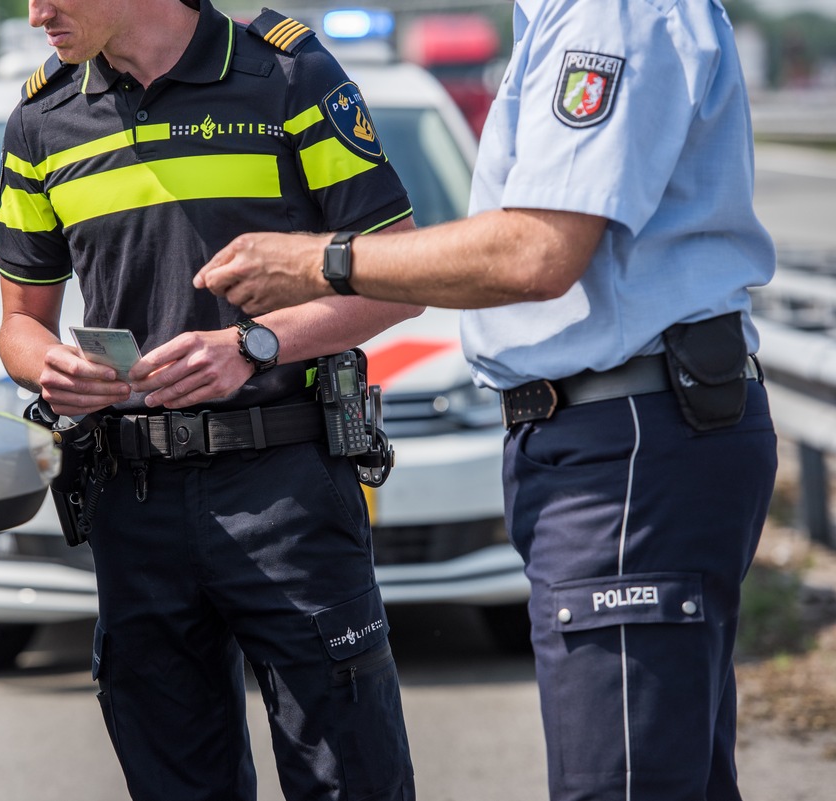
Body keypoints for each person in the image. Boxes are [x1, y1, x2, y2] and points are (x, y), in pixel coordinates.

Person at [194, 1, 777, 800]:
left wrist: (323, 260)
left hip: (626, 435)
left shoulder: (604, 11)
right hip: (619, 427)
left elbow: (536, 251)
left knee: (621, 782)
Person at [0, 1, 423, 798]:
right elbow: (20, 323)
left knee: (350, 778)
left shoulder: (288, 74)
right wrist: (49, 366)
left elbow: (400, 279)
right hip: (134, 502)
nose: (34, 13)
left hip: (288, 486)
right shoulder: (39, 119)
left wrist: (253, 345)